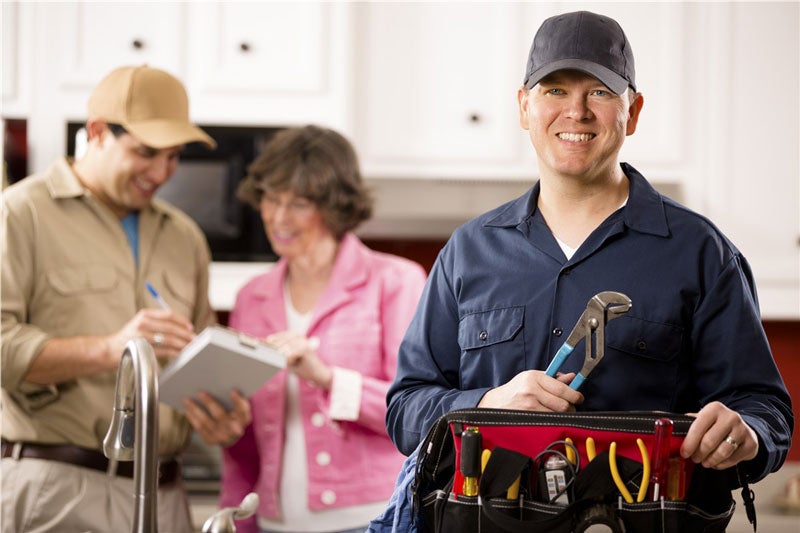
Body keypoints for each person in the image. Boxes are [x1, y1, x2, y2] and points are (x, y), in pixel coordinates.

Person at [386, 9, 793, 488]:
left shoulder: (701, 252)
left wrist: (746, 432)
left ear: (633, 112)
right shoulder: (469, 250)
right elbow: (406, 409)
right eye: (555, 90)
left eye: (599, 92)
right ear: (523, 107)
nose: (575, 112)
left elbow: (765, 410)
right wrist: (486, 404)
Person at [1, 65, 249, 532]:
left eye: (174, 156)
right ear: (97, 133)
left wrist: (220, 413)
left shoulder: (184, 237)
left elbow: (195, 354)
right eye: (146, 152)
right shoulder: (20, 214)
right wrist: (113, 348)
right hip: (57, 491)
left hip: (165, 496)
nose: (161, 172)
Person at [181, 125, 427, 533]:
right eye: (271, 199)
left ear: (334, 206)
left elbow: (416, 412)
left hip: (372, 519)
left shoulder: (396, 282)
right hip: (276, 522)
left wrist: (326, 377)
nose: (278, 218)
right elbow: (246, 449)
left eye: (297, 204)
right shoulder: (251, 298)